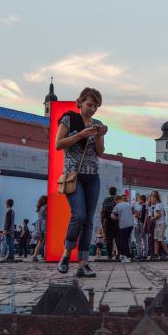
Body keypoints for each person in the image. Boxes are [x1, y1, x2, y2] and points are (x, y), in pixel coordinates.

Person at [56, 87, 107, 278]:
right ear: (80, 102)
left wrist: (99, 135)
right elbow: (58, 144)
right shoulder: (69, 118)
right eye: (89, 104)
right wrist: (80, 135)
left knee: (88, 220)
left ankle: (83, 263)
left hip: (92, 175)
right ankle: (66, 254)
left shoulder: (97, 124)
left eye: (96, 106)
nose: (92, 109)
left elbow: (100, 152)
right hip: (73, 175)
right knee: (78, 215)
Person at [111, 195, 135, 263]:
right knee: (126, 239)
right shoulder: (128, 204)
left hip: (123, 225)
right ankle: (124, 255)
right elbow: (134, 212)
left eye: (115, 202)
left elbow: (112, 216)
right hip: (131, 224)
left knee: (124, 240)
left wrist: (118, 218)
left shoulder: (117, 206)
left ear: (116, 200)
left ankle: (126, 256)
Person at [149, 190, 168, 258]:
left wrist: (153, 218)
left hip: (160, 224)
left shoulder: (157, 205)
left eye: (152, 198)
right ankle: (155, 254)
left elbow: (159, 215)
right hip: (160, 223)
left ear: (155, 198)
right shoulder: (161, 204)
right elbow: (165, 214)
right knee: (156, 239)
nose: (151, 199)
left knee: (160, 239)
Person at [100, 187, 119, 260]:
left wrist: (102, 222)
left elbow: (102, 211)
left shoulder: (106, 200)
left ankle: (109, 255)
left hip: (107, 221)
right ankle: (118, 254)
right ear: (115, 192)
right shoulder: (117, 200)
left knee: (109, 239)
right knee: (117, 238)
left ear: (109, 192)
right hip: (116, 221)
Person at [31, 195, 48, 261]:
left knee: (40, 242)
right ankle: (46, 256)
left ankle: (35, 256)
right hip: (44, 225)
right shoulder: (45, 207)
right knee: (46, 241)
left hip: (39, 225)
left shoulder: (40, 208)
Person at [133, 195, 148, 259]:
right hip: (144, 225)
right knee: (144, 239)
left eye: (138, 199)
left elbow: (139, 216)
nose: (138, 201)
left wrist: (136, 215)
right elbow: (146, 216)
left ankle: (140, 254)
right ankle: (145, 254)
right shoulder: (146, 206)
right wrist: (145, 224)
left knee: (138, 239)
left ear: (142, 200)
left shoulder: (140, 207)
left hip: (139, 224)